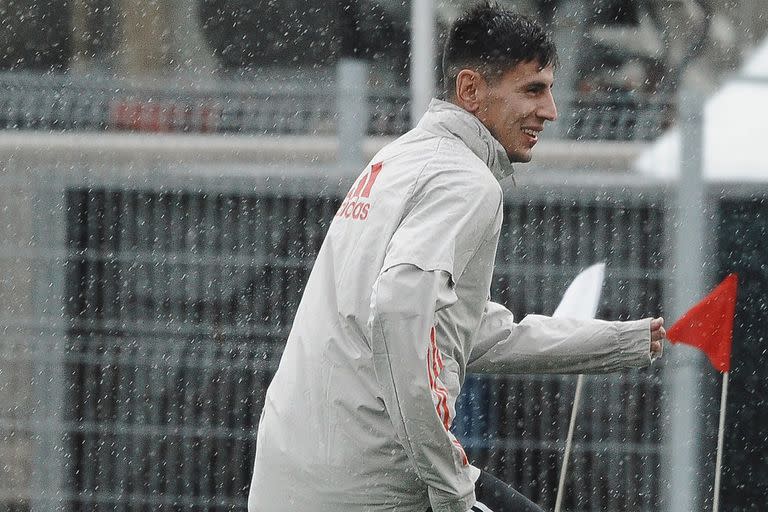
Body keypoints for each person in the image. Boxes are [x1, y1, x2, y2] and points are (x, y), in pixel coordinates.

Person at [248, 3, 665, 511]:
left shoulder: (397, 158)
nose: (551, 110)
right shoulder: (466, 182)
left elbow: (468, 331)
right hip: (365, 489)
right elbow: (401, 310)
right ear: (470, 90)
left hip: (293, 473)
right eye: (532, 90)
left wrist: (625, 341)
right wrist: (448, 480)